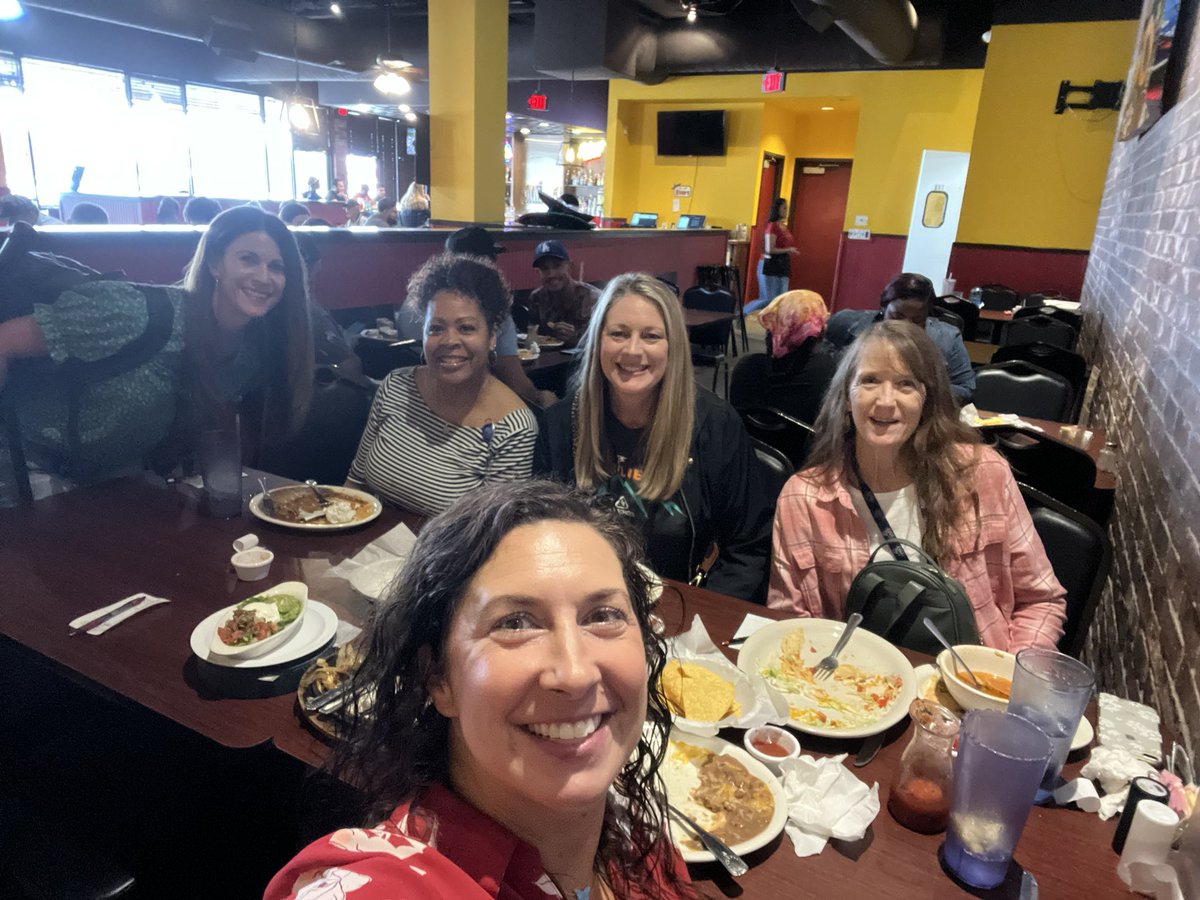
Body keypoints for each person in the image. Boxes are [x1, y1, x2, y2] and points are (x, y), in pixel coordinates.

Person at [265, 481, 694, 900]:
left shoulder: (634, 835)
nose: (576, 672)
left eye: (603, 614)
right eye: (514, 623)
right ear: (438, 677)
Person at [768, 320, 1066, 652]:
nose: (885, 401)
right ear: (845, 397)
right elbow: (789, 626)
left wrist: (1009, 677)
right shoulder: (803, 498)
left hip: (974, 681)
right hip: (858, 687)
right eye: (869, 381)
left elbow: (1042, 599)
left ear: (928, 399)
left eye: (905, 384)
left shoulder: (984, 474)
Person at [0, 206, 313, 488]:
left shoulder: (250, 356)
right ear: (215, 264)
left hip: (108, 480)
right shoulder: (135, 312)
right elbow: (4, 342)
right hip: (25, 466)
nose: (263, 276)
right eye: (248, 259)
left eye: (277, 267)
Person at [534, 273, 771, 602]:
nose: (633, 350)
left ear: (673, 346)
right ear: (598, 340)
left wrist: (701, 622)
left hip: (680, 609)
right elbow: (540, 531)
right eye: (618, 334)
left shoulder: (715, 424)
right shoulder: (561, 422)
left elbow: (748, 549)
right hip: (579, 602)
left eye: (651, 336)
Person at [347, 253, 537, 517]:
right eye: (436, 328)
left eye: (466, 328)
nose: (449, 341)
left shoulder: (513, 429)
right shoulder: (395, 387)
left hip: (450, 558)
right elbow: (356, 483)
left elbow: (491, 535)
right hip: (368, 550)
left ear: (492, 336)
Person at [444, 226, 557, 408]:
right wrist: (541, 398)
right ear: (487, 263)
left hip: (429, 403)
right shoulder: (494, 309)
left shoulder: (424, 300)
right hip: (479, 408)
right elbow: (513, 378)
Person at [826, 272, 976, 403]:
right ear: (883, 308)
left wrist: (920, 390)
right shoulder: (849, 325)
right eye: (897, 317)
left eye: (917, 321)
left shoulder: (947, 338)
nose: (906, 326)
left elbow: (966, 389)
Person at [728, 288, 838, 424]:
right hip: (797, 444)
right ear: (819, 329)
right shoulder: (829, 372)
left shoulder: (745, 367)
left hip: (747, 442)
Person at [529, 240, 600, 347]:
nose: (551, 274)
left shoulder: (593, 298)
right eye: (544, 269)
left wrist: (575, 337)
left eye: (557, 266)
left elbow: (605, 341)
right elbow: (532, 337)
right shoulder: (537, 298)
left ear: (570, 266)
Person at [758, 197, 798, 307]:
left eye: (787, 208)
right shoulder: (772, 226)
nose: (786, 211)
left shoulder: (783, 226)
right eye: (784, 208)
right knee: (769, 300)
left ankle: (777, 323)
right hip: (770, 264)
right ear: (777, 209)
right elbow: (769, 249)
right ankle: (745, 313)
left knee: (782, 299)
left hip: (782, 264)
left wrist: (788, 250)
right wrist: (788, 249)